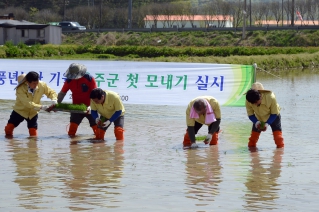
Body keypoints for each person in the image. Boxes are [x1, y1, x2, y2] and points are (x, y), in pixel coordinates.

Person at [4, 71, 57, 137]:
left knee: (33, 133)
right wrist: (42, 107)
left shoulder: (42, 85)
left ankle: (33, 146)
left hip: (33, 112)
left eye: (37, 82)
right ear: (28, 82)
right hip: (20, 111)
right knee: (8, 129)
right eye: (34, 83)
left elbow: (51, 92)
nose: (36, 85)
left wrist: (54, 99)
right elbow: (28, 104)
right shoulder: (20, 89)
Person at [57, 63, 98, 136]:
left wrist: (92, 106)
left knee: (97, 130)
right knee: (72, 131)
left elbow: (95, 94)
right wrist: (56, 104)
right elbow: (62, 93)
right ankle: (73, 146)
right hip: (76, 107)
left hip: (91, 107)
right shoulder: (69, 81)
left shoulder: (89, 78)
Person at [245, 82, 284, 148]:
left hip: (273, 117)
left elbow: (274, 113)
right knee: (252, 140)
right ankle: (252, 153)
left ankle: (280, 153)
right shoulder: (248, 100)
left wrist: (267, 123)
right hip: (258, 118)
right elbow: (250, 115)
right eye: (253, 103)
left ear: (260, 96)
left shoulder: (271, 97)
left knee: (278, 138)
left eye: (256, 102)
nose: (255, 104)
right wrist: (256, 122)